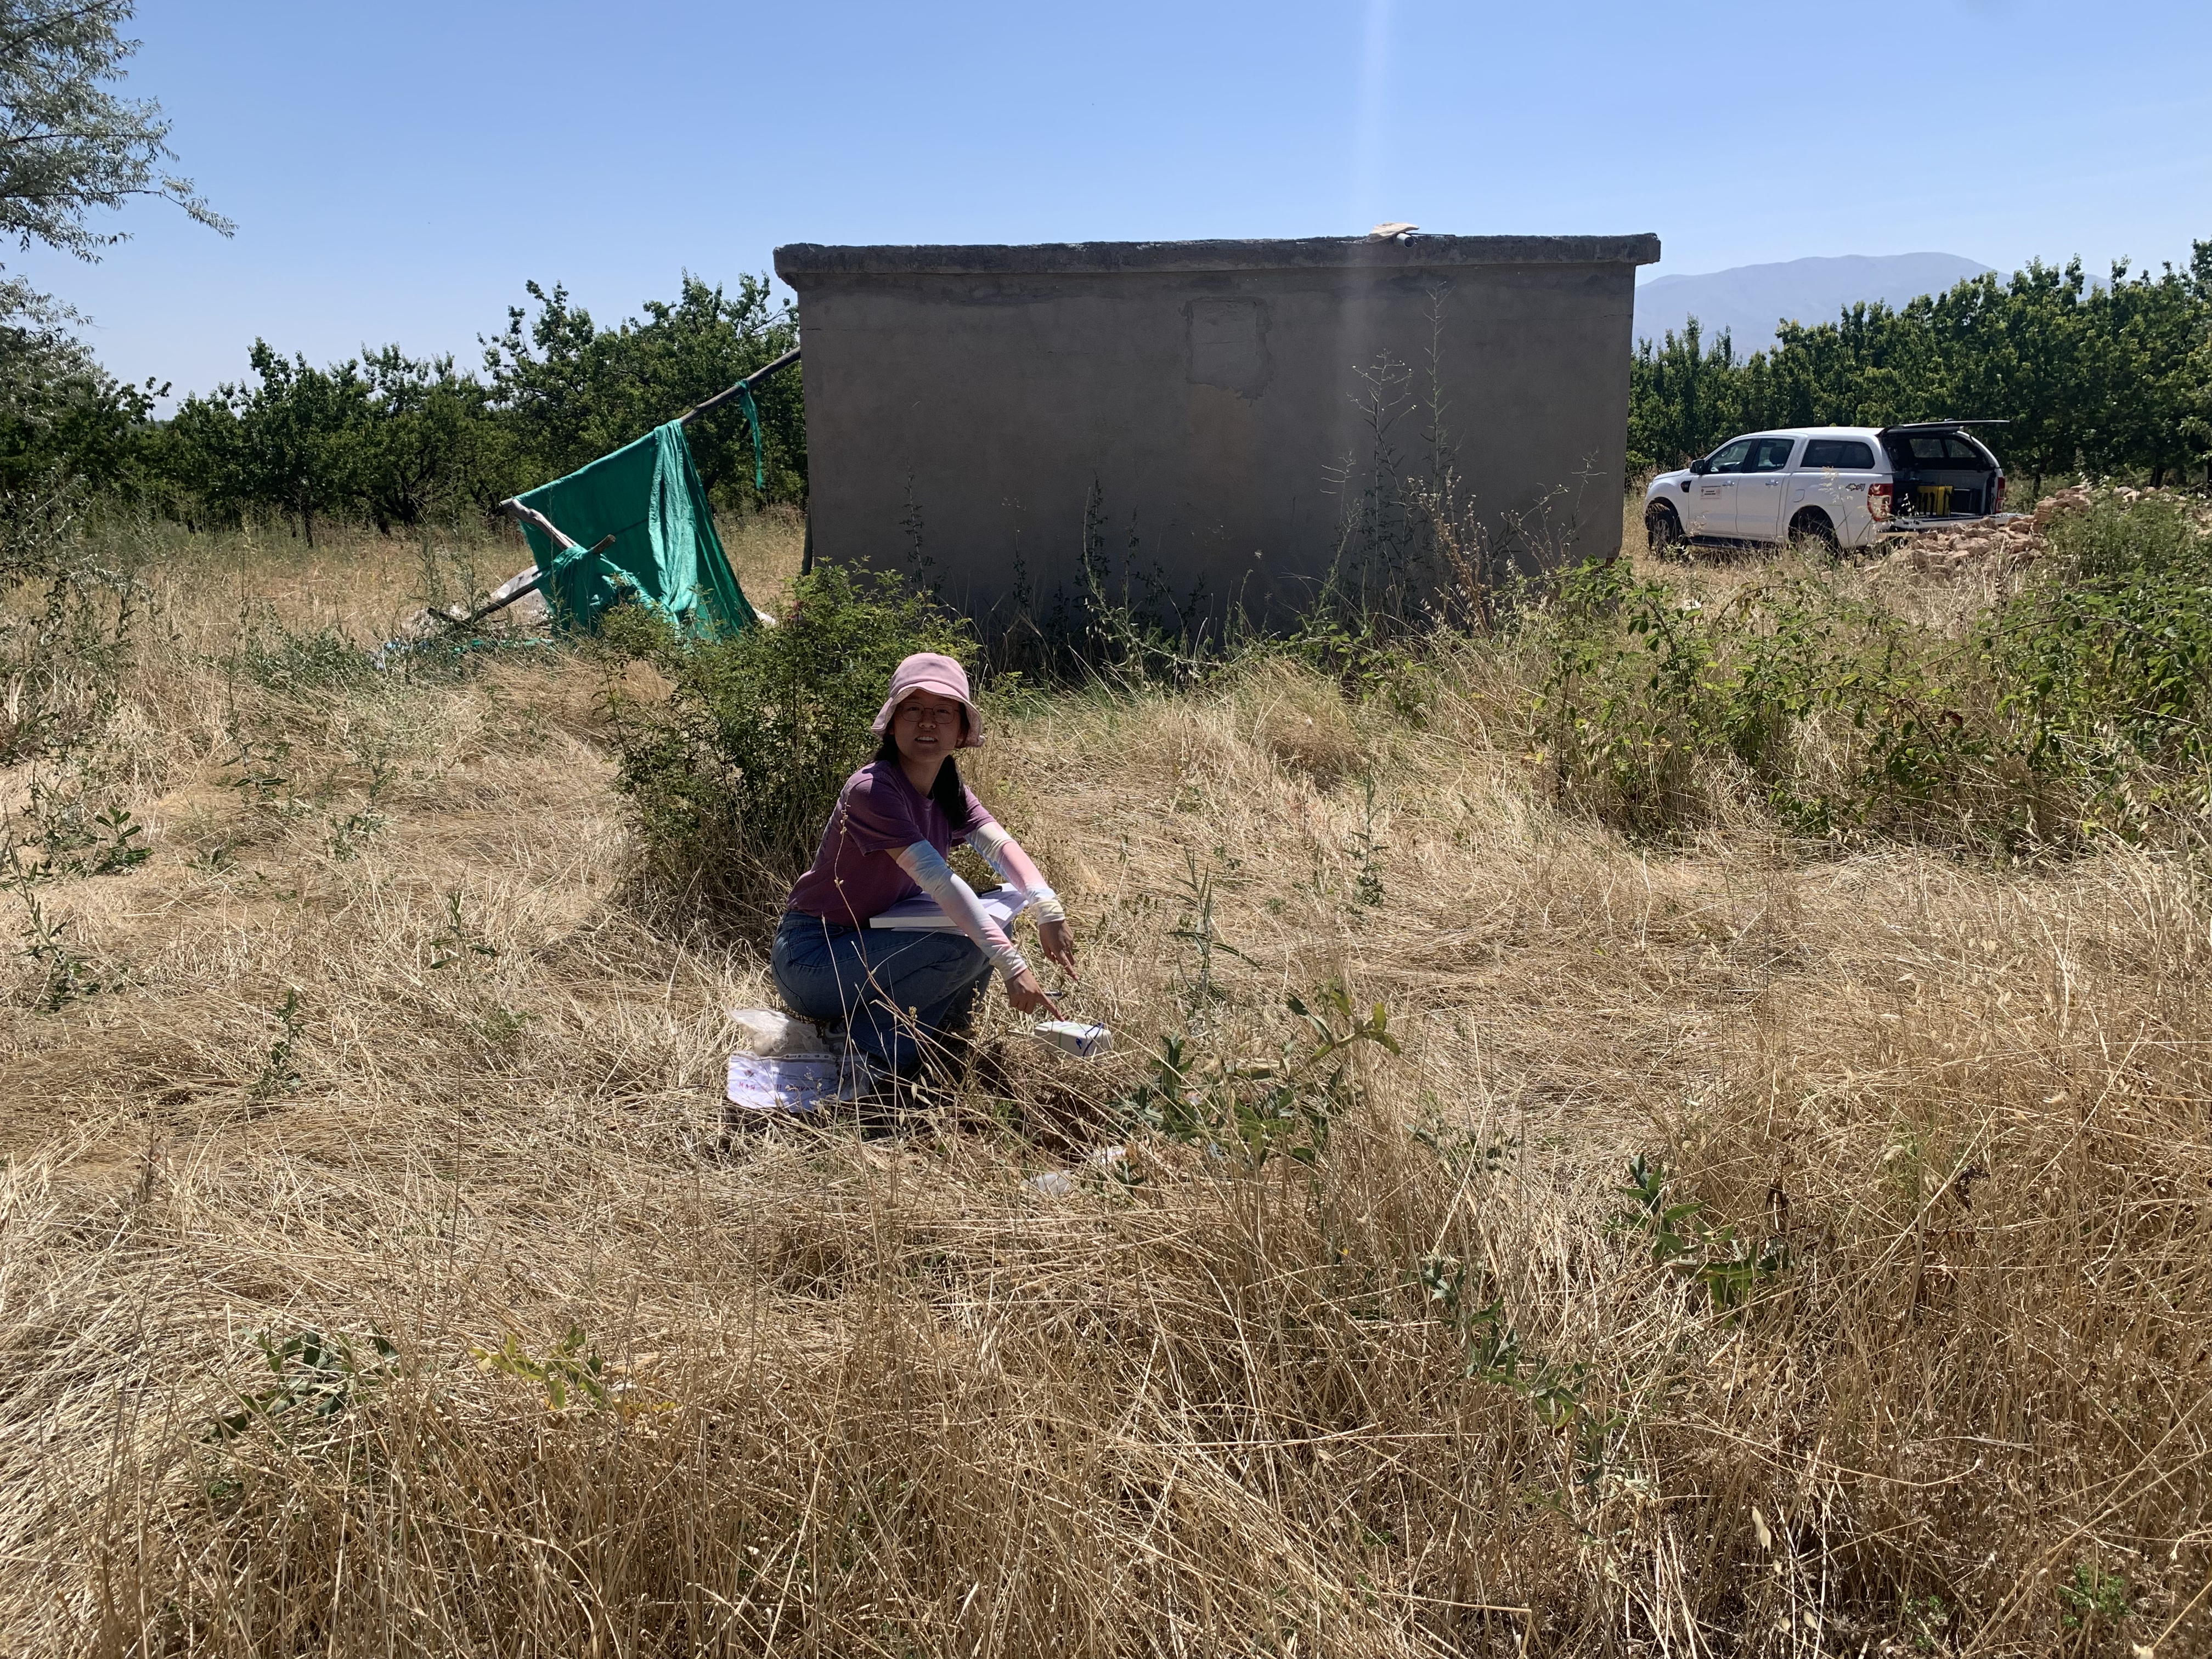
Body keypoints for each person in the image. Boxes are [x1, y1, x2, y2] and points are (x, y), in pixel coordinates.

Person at [771, 652, 1077, 1087]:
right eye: (913, 709)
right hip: (813, 959)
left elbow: (1003, 849)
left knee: (994, 927)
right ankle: (866, 1051)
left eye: (942, 712)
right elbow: (939, 881)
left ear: (962, 730)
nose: (928, 723)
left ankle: (937, 1036)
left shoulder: (949, 788)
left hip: (869, 940)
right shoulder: (873, 790)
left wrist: (1048, 910)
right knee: (968, 943)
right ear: (893, 722)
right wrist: (1011, 966)